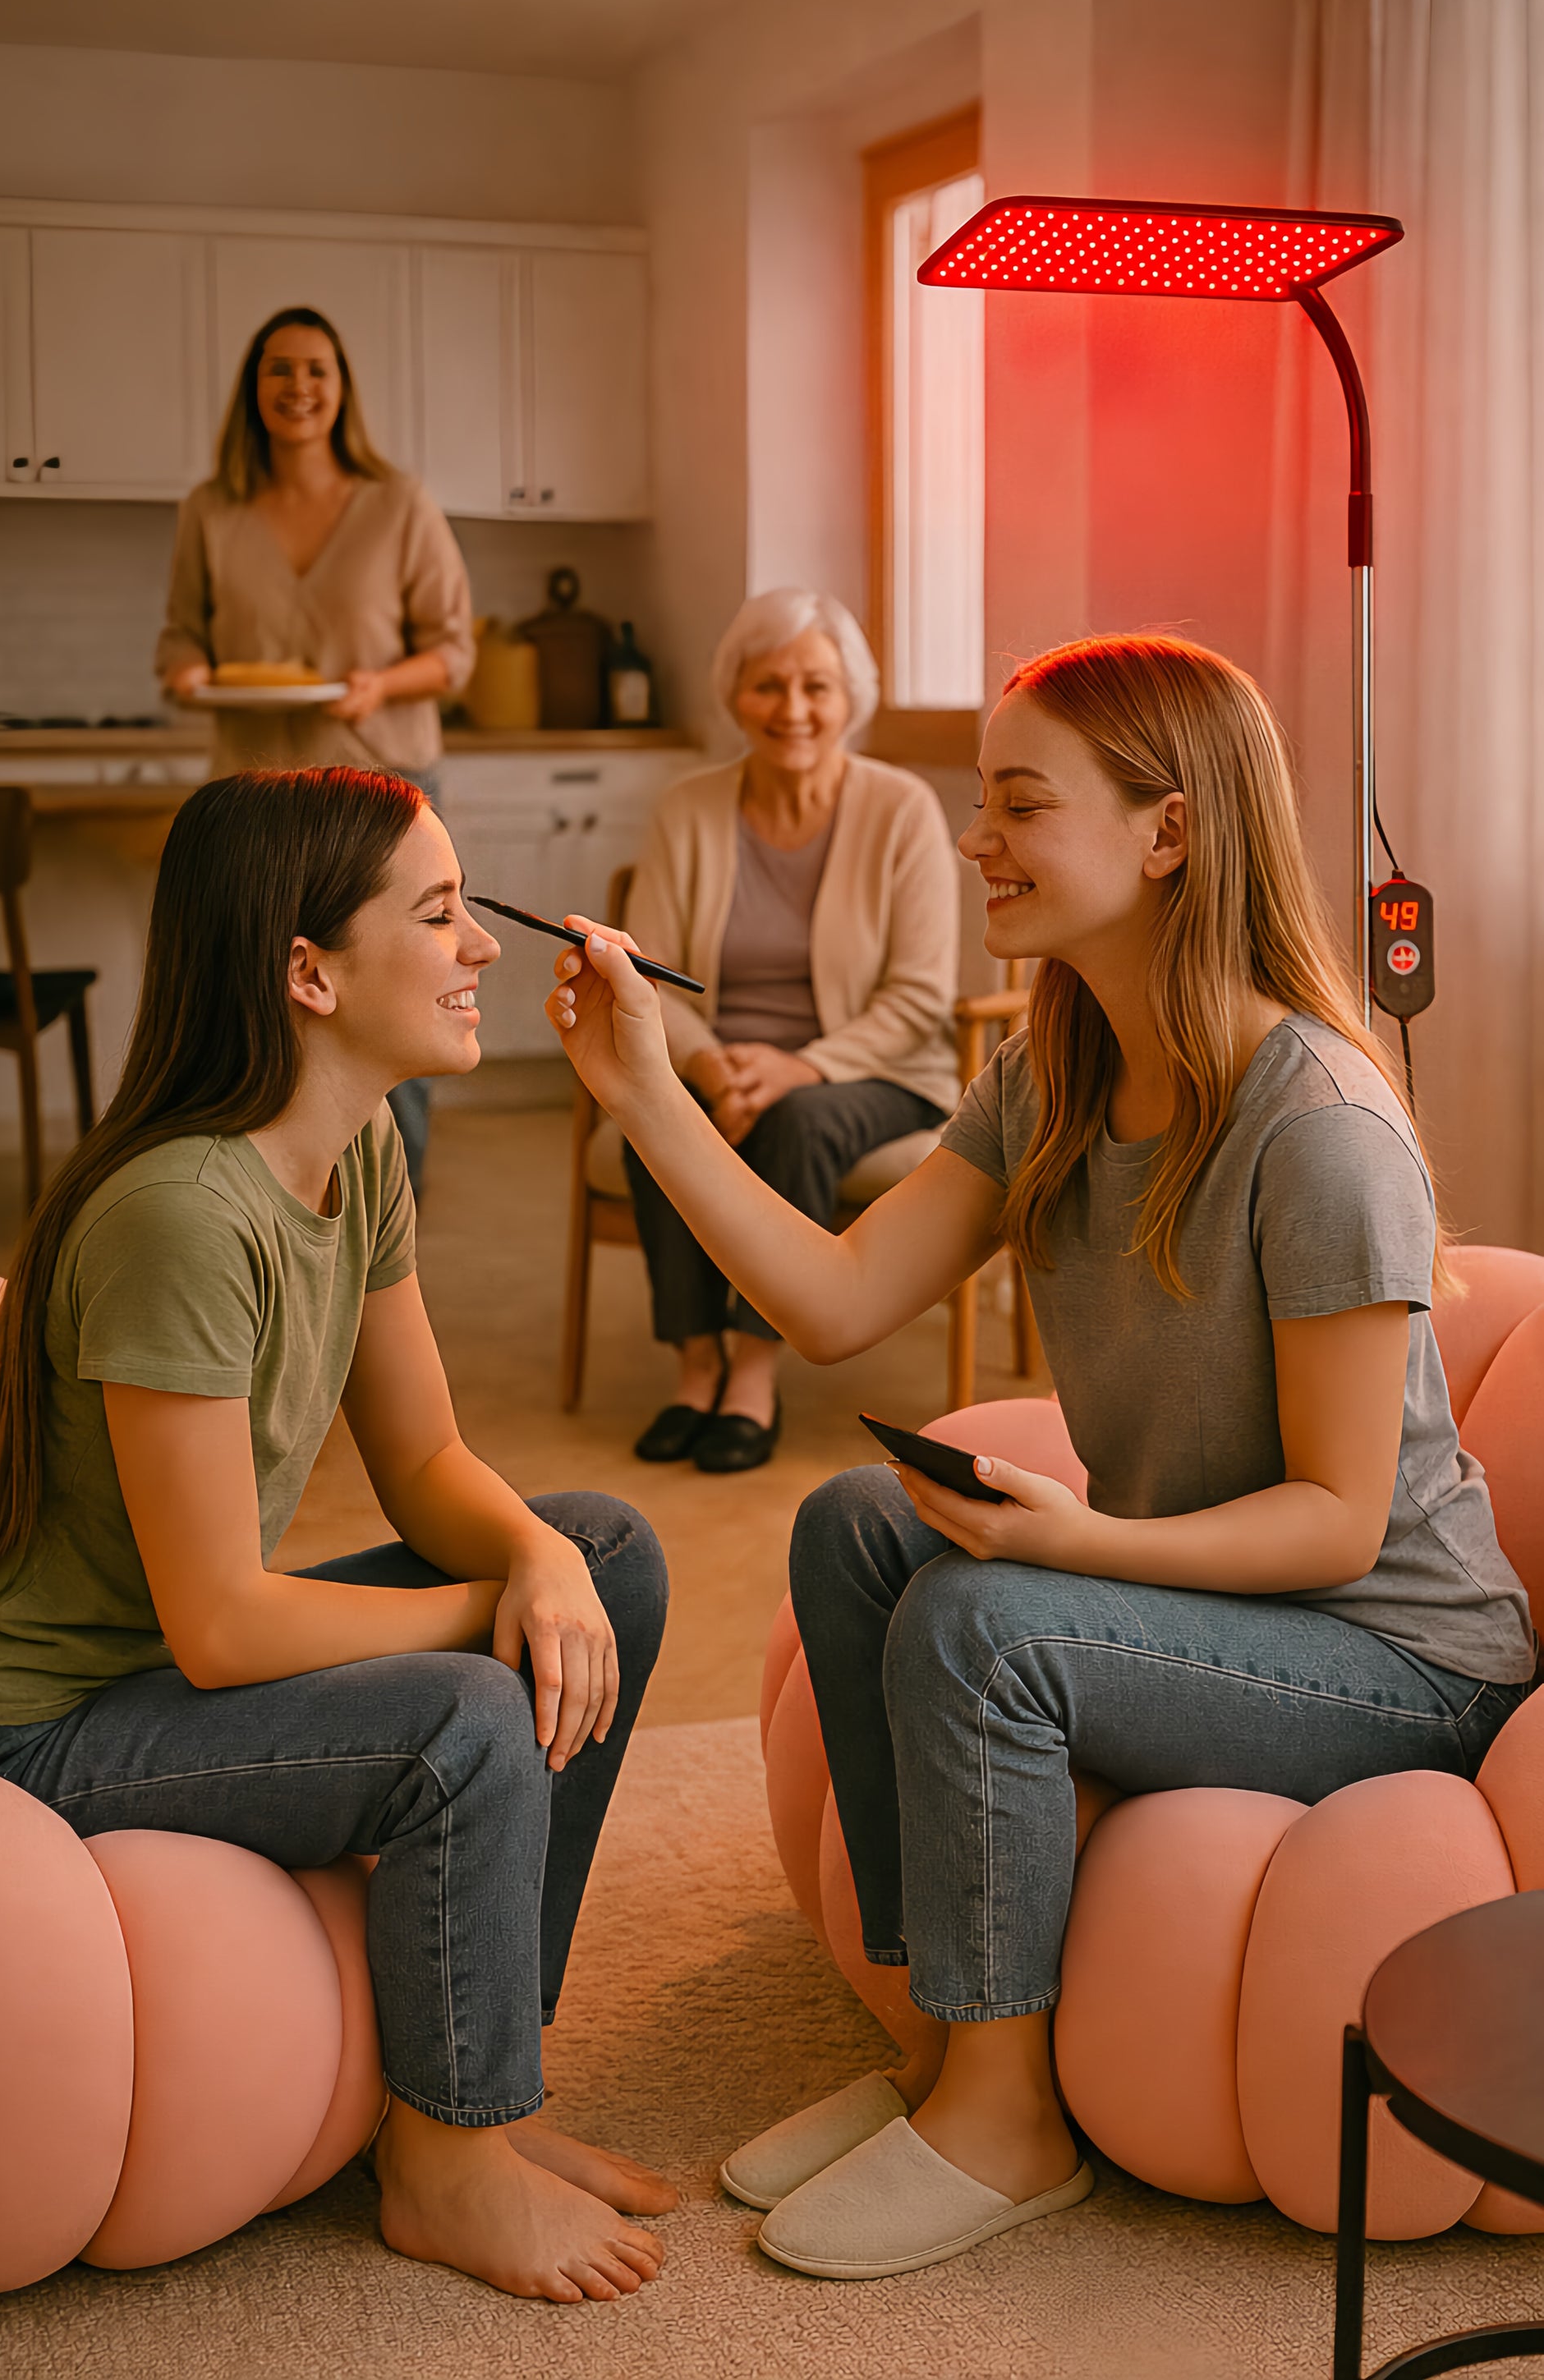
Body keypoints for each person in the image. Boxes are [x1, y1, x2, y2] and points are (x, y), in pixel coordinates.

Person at [546, 633, 1534, 2281]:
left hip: (1397, 1650)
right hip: (1244, 1602)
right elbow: (838, 1297)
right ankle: (944, 2044)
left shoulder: (1317, 1124)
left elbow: (1335, 1516)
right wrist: (648, 1096)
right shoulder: (1056, 1072)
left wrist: (1070, 1545)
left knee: (980, 1618)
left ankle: (1009, 2116)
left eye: (1017, 802)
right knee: (859, 1523)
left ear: (1164, 833)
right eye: (975, 799)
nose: (971, 838)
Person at [0, 768, 673, 2305]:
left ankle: (485, 2081)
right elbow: (222, 1625)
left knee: (605, 1557)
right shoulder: (180, 1216)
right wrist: (490, 1610)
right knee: (472, 1711)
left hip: (168, 1671)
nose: (483, 945)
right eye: (439, 913)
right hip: (31, 1728)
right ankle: (445, 2161)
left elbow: (424, 1461)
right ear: (308, 973)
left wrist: (535, 1563)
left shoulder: (355, 1159)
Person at [620, 587, 959, 1472]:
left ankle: (751, 1374)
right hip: (721, 1058)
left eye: (816, 686)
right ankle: (694, 1368)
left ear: (851, 698)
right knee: (653, 1108)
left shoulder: (902, 809)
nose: (793, 709)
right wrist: (702, 1061)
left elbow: (920, 995)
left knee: (794, 1119)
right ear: (734, 694)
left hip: (874, 1070)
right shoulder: (687, 808)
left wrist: (799, 1066)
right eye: (767, 685)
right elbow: (645, 975)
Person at [155, 306, 476, 1196]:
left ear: (342, 390)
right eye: (279, 370)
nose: (298, 387)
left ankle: (389, 1205)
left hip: (381, 788)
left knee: (394, 1001)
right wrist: (190, 673)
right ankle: (269, 1202)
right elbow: (179, 638)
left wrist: (381, 683)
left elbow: (454, 649)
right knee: (264, 1002)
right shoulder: (210, 511)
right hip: (257, 796)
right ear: (253, 390)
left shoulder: (397, 503)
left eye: (316, 370)